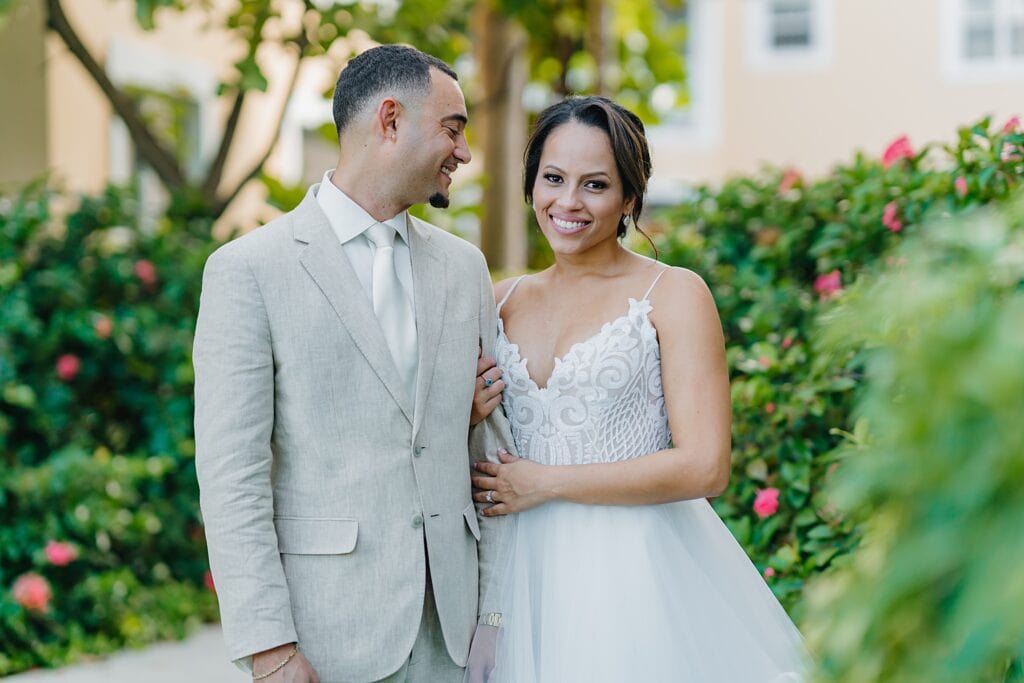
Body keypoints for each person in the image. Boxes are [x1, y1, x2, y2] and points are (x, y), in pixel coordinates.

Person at [193, 45, 513, 683]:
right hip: (324, 634)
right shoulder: (249, 270)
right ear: (390, 120)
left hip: (453, 630)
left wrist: (496, 616)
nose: (465, 152)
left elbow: (480, 453)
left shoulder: (463, 269)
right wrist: (269, 648)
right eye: (453, 128)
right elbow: (233, 476)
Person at [468, 96, 807, 682]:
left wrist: (546, 482)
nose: (568, 202)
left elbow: (706, 466)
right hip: (514, 577)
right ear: (531, 185)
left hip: (636, 574)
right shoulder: (496, 299)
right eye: (553, 178)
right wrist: (466, 416)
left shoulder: (673, 294)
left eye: (595, 185)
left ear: (630, 198)